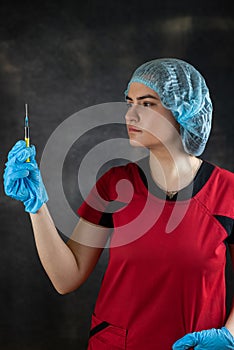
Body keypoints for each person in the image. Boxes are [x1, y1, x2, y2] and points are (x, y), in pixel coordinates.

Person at [3, 58, 234, 350]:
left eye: (147, 104)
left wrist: (230, 334)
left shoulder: (228, 192)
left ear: (182, 110)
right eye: (129, 103)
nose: (130, 115)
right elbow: (66, 277)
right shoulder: (114, 185)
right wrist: (36, 206)